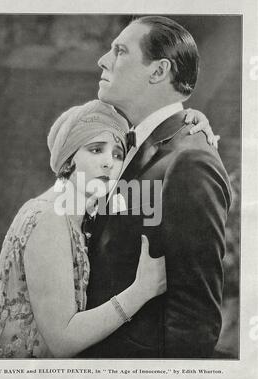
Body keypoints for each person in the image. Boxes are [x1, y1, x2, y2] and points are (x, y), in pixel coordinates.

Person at [0, 96, 216, 359]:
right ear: (68, 159)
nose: (109, 162)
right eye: (96, 150)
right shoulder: (50, 217)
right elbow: (63, 341)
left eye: (117, 155)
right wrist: (141, 291)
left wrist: (188, 123)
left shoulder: (83, 213)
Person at [80, 16, 232, 358]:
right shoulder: (120, 144)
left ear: (159, 71)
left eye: (120, 51)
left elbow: (195, 319)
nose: (103, 60)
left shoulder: (190, 162)